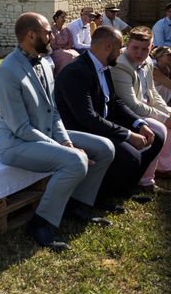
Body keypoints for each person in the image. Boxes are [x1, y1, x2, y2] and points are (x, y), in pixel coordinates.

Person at [0, 13, 115, 252]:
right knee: (75, 161)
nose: (52, 36)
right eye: (47, 31)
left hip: (44, 134)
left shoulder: (45, 64)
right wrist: (65, 150)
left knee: (105, 148)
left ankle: (76, 205)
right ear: (31, 35)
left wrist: (66, 142)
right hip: (15, 145)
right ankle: (40, 222)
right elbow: (21, 128)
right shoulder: (7, 72)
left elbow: (55, 112)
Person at [55, 27, 165, 205]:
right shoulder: (76, 72)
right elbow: (87, 118)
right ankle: (100, 198)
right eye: (120, 46)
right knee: (131, 156)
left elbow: (115, 102)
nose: (121, 51)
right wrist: (128, 135)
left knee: (156, 136)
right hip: (82, 129)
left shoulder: (103, 65)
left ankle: (123, 189)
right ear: (108, 46)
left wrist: (139, 124)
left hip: (102, 123)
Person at [111, 26, 171, 185]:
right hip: (127, 113)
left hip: (144, 107)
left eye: (145, 49)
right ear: (127, 45)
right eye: (135, 48)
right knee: (160, 127)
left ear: (151, 47)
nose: (139, 53)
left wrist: (167, 112)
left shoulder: (148, 61)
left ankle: (164, 166)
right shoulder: (120, 65)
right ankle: (145, 180)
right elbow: (131, 104)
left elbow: (151, 92)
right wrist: (165, 118)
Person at [49, 10, 79, 75]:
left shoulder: (66, 29)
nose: (64, 19)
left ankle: (73, 73)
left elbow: (71, 41)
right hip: (56, 51)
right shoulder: (52, 30)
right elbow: (52, 44)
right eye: (62, 17)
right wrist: (61, 48)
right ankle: (62, 73)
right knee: (69, 55)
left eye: (65, 17)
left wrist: (66, 47)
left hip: (67, 49)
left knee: (77, 55)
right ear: (56, 18)